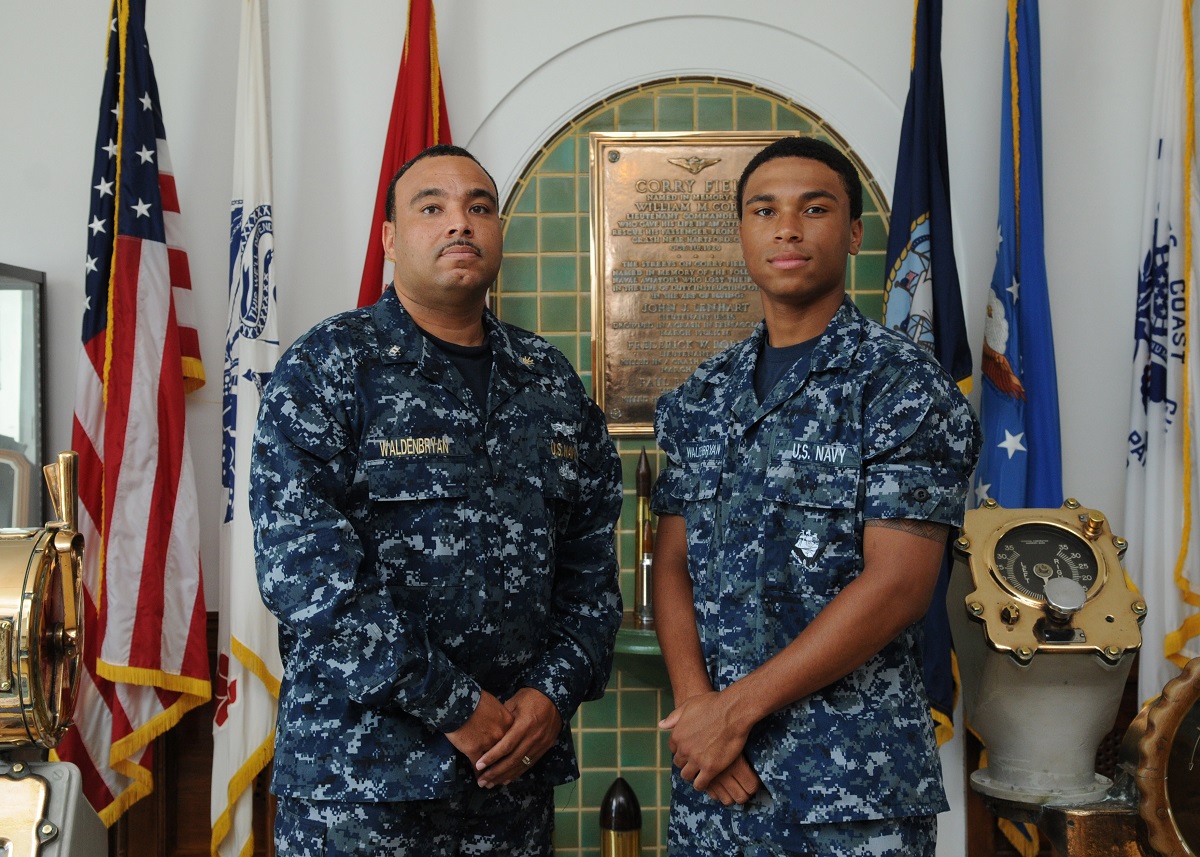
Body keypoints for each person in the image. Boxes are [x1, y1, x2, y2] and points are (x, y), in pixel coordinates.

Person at [250, 144, 623, 855]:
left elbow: (591, 572)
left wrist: (551, 696)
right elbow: (306, 578)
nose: (461, 222)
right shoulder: (328, 369)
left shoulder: (550, 381)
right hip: (360, 786)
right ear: (390, 238)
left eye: (479, 207)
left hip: (509, 783)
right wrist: (454, 704)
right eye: (433, 207)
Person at [650, 136, 981, 856]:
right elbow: (669, 561)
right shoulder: (702, 395)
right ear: (742, 233)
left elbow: (898, 587)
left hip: (849, 791)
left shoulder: (902, 388)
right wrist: (697, 708)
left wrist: (733, 712)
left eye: (815, 208)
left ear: (855, 233)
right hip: (716, 782)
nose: (788, 228)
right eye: (764, 210)